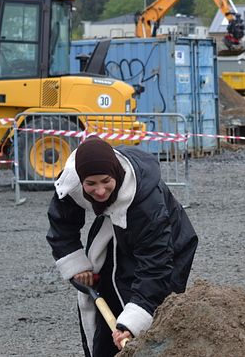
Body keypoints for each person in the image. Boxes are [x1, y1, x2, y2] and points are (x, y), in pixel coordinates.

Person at [47, 136, 198, 357]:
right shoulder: (72, 180)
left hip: (168, 243)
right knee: (107, 294)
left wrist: (131, 323)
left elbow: (155, 267)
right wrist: (77, 264)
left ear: (116, 174)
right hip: (115, 232)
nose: (99, 191)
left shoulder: (147, 204)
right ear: (80, 181)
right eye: (91, 184)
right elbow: (62, 223)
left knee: (152, 312)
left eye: (105, 181)